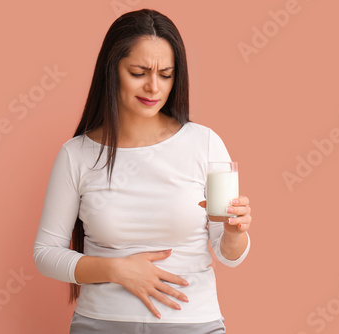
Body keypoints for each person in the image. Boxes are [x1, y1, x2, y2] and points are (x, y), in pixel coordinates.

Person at [33, 8, 252, 334]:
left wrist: (235, 233)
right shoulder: (77, 154)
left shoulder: (204, 143)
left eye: (166, 74)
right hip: (100, 325)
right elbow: (45, 254)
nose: (154, 87)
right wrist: (118, 270)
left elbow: (229, 255)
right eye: (139, 72)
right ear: (112, 70)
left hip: (194, 325)